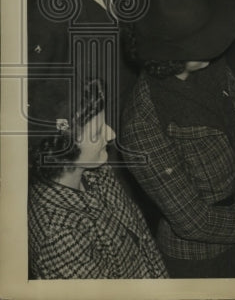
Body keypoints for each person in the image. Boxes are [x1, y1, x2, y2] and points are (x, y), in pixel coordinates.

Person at [120, 0, 235, 278]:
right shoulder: (142, 124)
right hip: (203, 260)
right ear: (171, 54)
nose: (214, 44)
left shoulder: (211, 66)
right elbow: (193, 221)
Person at [27, 78, 167, 279]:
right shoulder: (59, 233)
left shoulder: (97, 170)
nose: (111, 134)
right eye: (97, 132)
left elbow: (143, 242)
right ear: (62, 147)